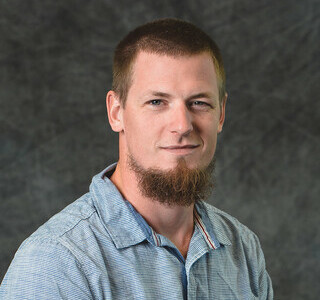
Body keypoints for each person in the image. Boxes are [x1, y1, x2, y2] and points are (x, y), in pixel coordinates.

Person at [0, 18, 273, 299]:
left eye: (199, 103)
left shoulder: (243, 250)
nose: (182, 125)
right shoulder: (56, 264)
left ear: (222, 114)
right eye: (157, 102)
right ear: (116, 112)